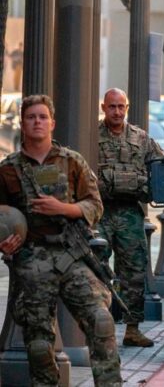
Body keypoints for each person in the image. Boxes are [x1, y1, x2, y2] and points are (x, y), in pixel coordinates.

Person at [0, 94, 122, 385]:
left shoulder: (72, 162)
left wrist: (64, 209)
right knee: (39, 345)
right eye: (31, 117)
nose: (37, 122)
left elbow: (95, 204)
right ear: (23, 123)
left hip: (72, 254)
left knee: (102, 321)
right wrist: (4, 245)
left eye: (42, 117)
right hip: (32, 258)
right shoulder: (7, 170)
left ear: (52, 123)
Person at [96, 88, 164, 347]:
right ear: (103, 108)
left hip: (130, 213)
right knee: (97, 269)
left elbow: (162, 166)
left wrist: (149, 188)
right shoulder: (91, 136)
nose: (116, 111)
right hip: (99, 213)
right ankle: (99, 328)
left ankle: (132, 329)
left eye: (121, 106)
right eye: (112, 106)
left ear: (127, 108)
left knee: (134, 271)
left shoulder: (141, 138)